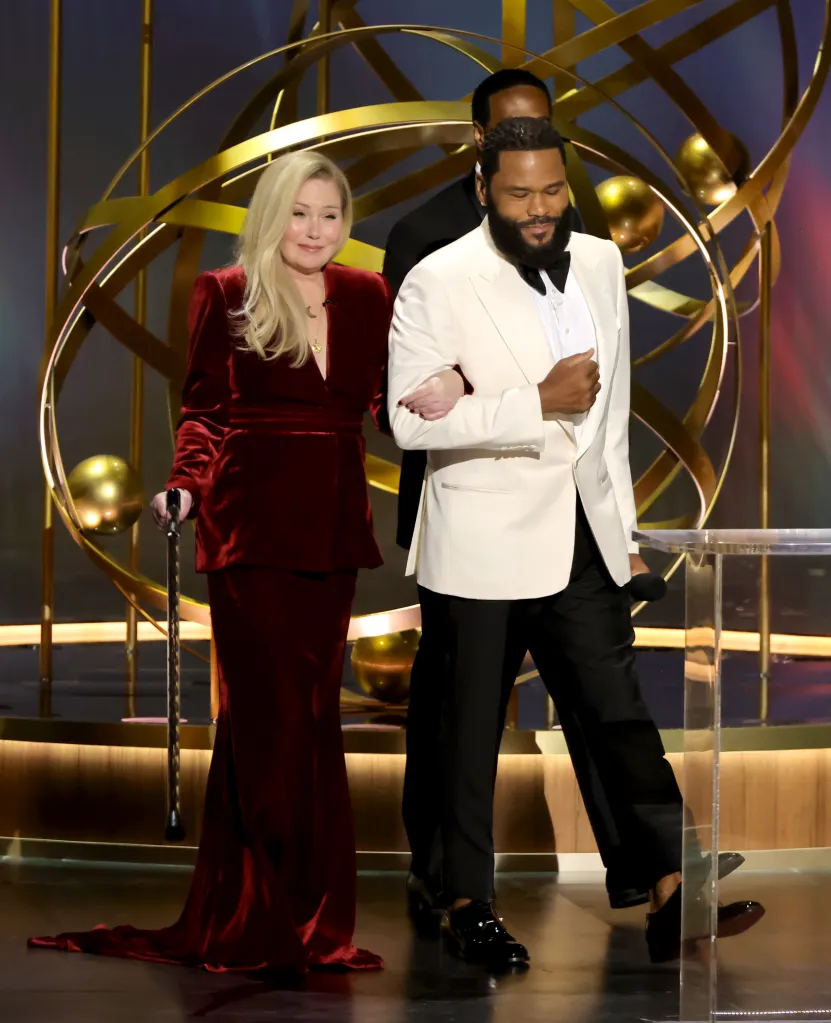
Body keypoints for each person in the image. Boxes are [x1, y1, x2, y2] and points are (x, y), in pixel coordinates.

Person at [29, 151, 461, 974]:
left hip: (331, 528)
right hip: (249, 526)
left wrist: (451, 382)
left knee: (310, 718)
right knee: (265, 721)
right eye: (299, 213)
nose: (314, 230)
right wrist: (186, 488)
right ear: (272, 215)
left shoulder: (369, 294)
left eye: (329, 216)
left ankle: (310, 919)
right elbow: (203, 410)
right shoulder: (226, 292)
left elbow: (383, 400)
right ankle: (254, 919)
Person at [388, 116, 764, 967]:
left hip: (580, 540)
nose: (538, 209)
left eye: (552, 191)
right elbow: (407, 420)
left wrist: (621, 534)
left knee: (620, 712)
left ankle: (673, 888)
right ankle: (464, 902)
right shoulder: (436, 279)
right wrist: (533, 400)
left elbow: (611, 418)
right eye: (519, 193)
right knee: (468, 732)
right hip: (479, 540)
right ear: (483, 188)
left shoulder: (597, 260)